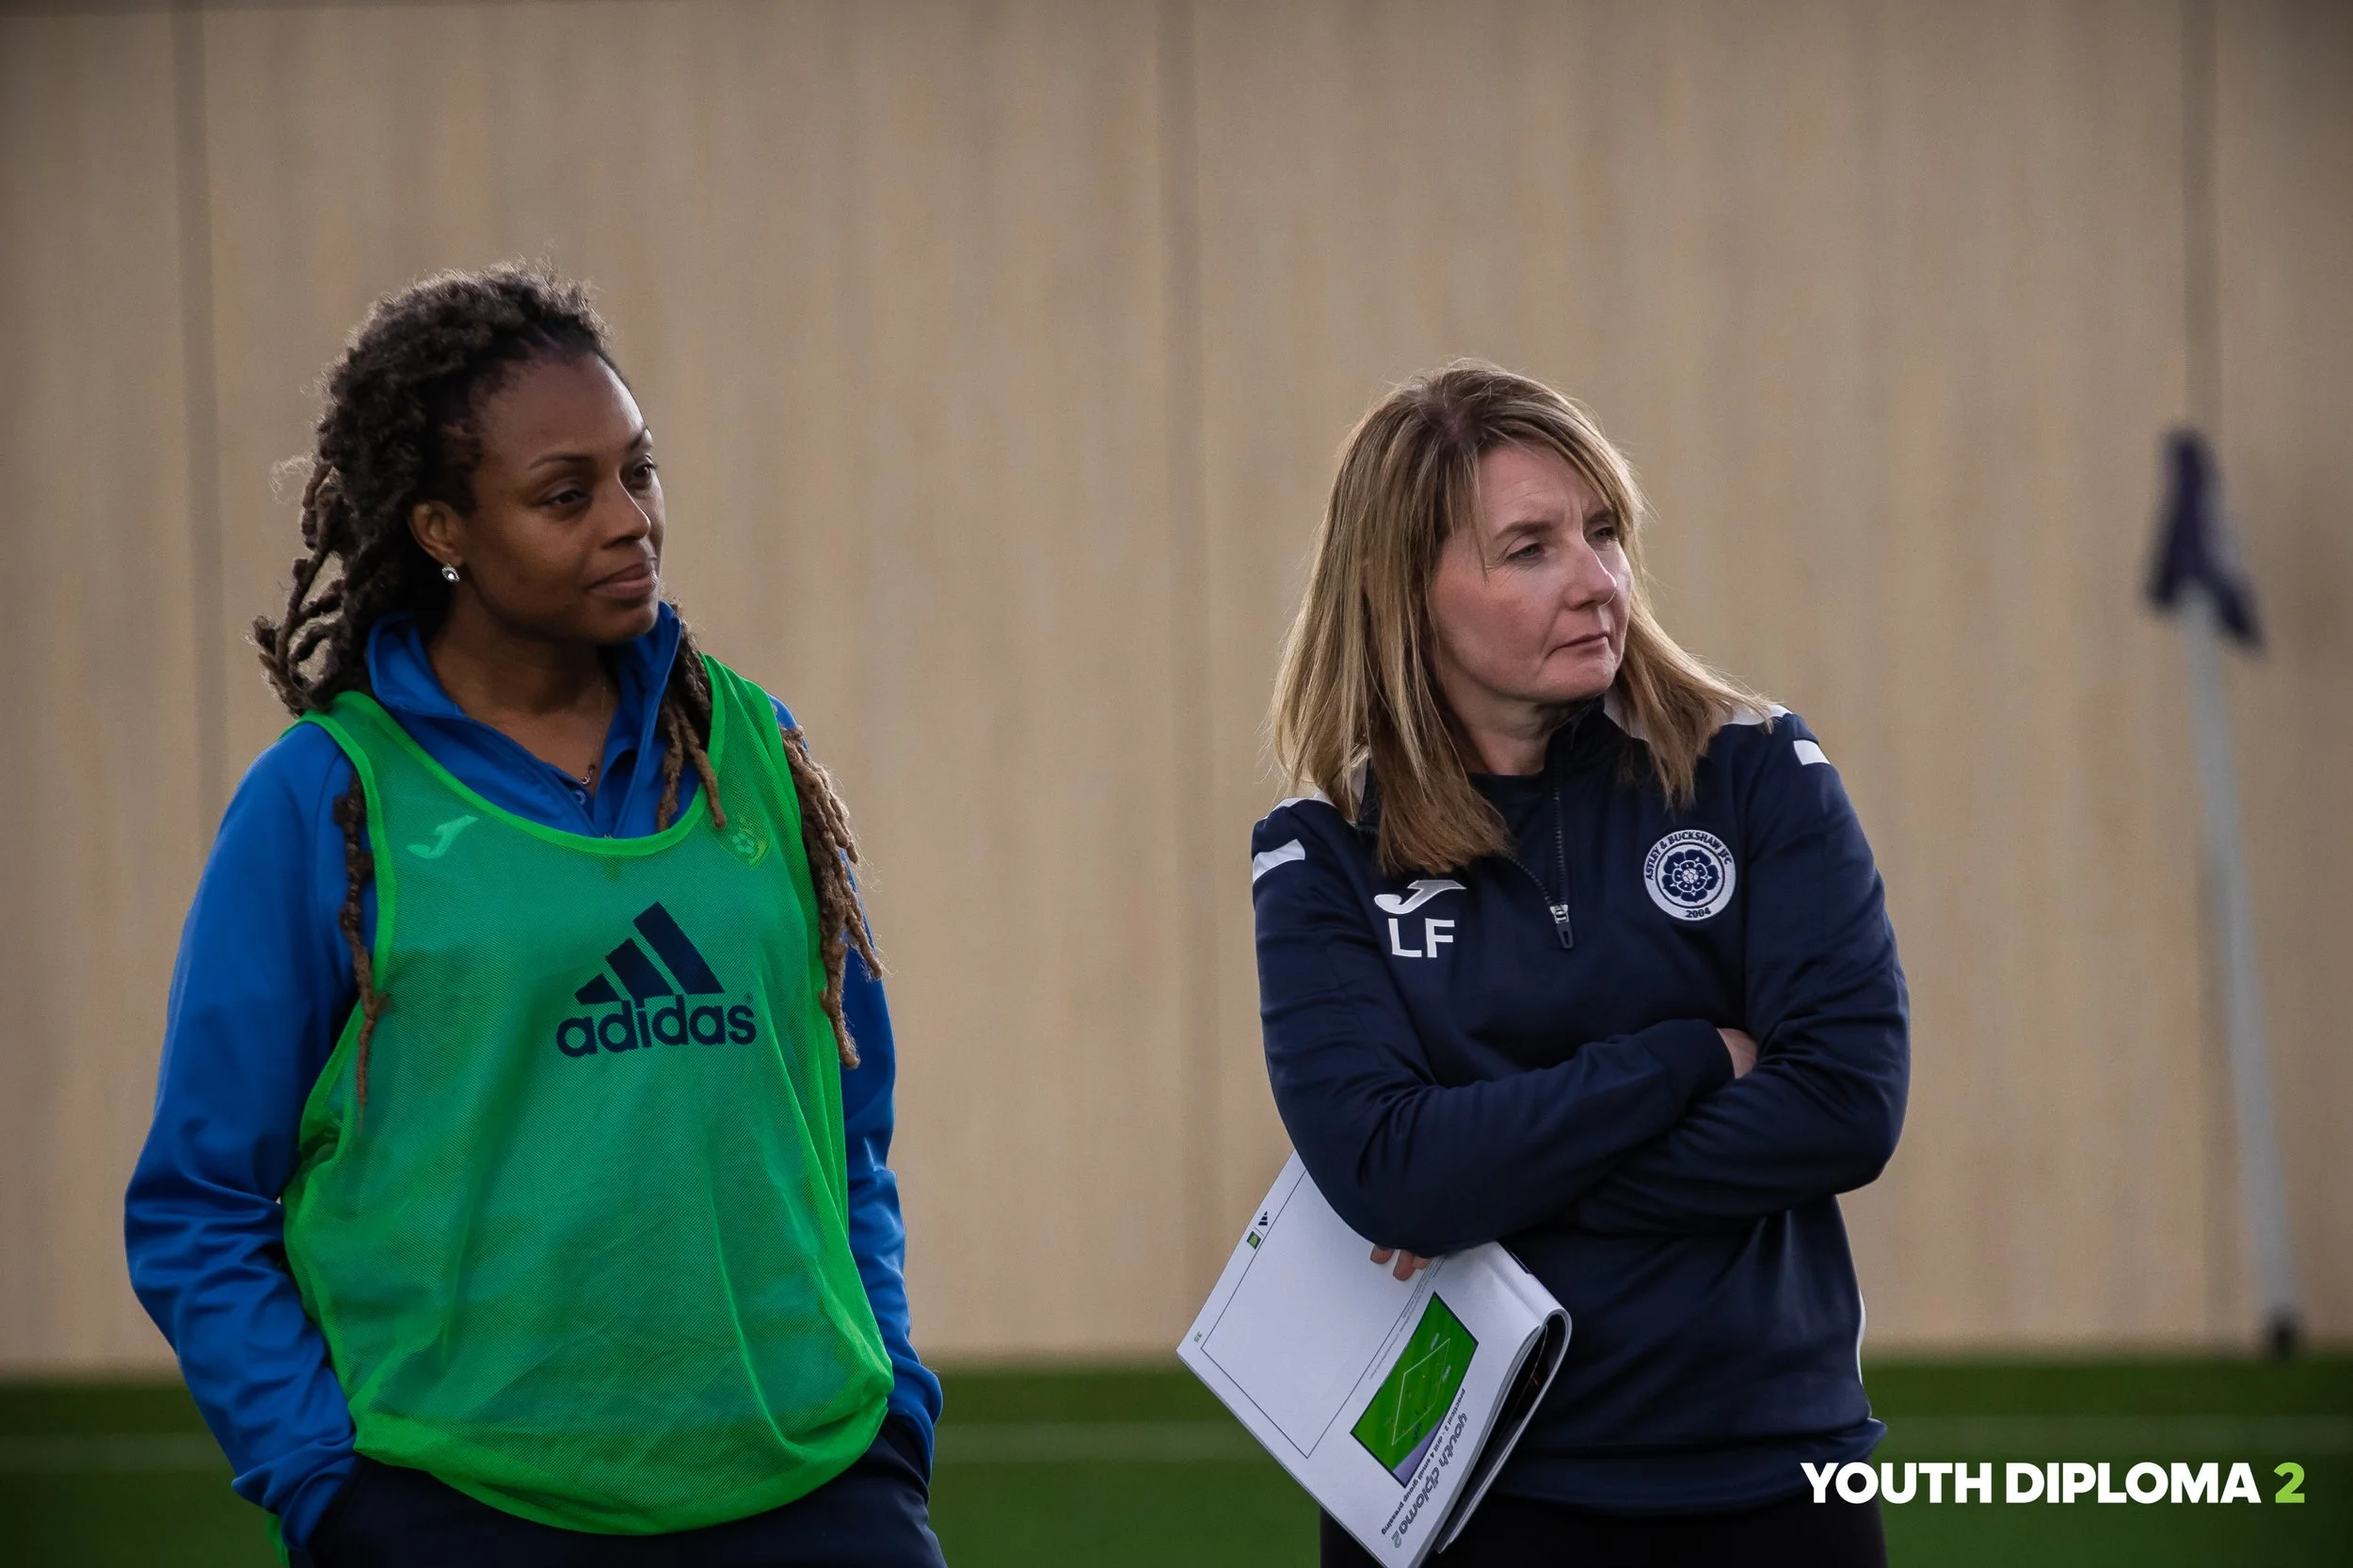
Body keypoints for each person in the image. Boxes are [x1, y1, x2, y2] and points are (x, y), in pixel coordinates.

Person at [123, 266, 946, 1568]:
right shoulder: (328, 802)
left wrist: (889, 1394)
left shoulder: (751, 750)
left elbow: (849, 1122)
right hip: (464, 1506)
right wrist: (329, 1486)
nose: (631, 521)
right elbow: (201, 1199)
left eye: (640, 471)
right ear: (442, 526)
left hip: (817, 1484)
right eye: (567, 495)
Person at [1255, 363, 1906, 1567]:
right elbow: (1389, 1171)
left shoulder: (1757, 771)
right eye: (1530, 548)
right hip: (1450, 1504)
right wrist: (1685, 1058)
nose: (1598, 581)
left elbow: (1841, 1107)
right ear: (1402, 591)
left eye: (1603, 532)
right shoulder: (1322, 849)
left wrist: (1481, 1180)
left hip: (1767, 1476)